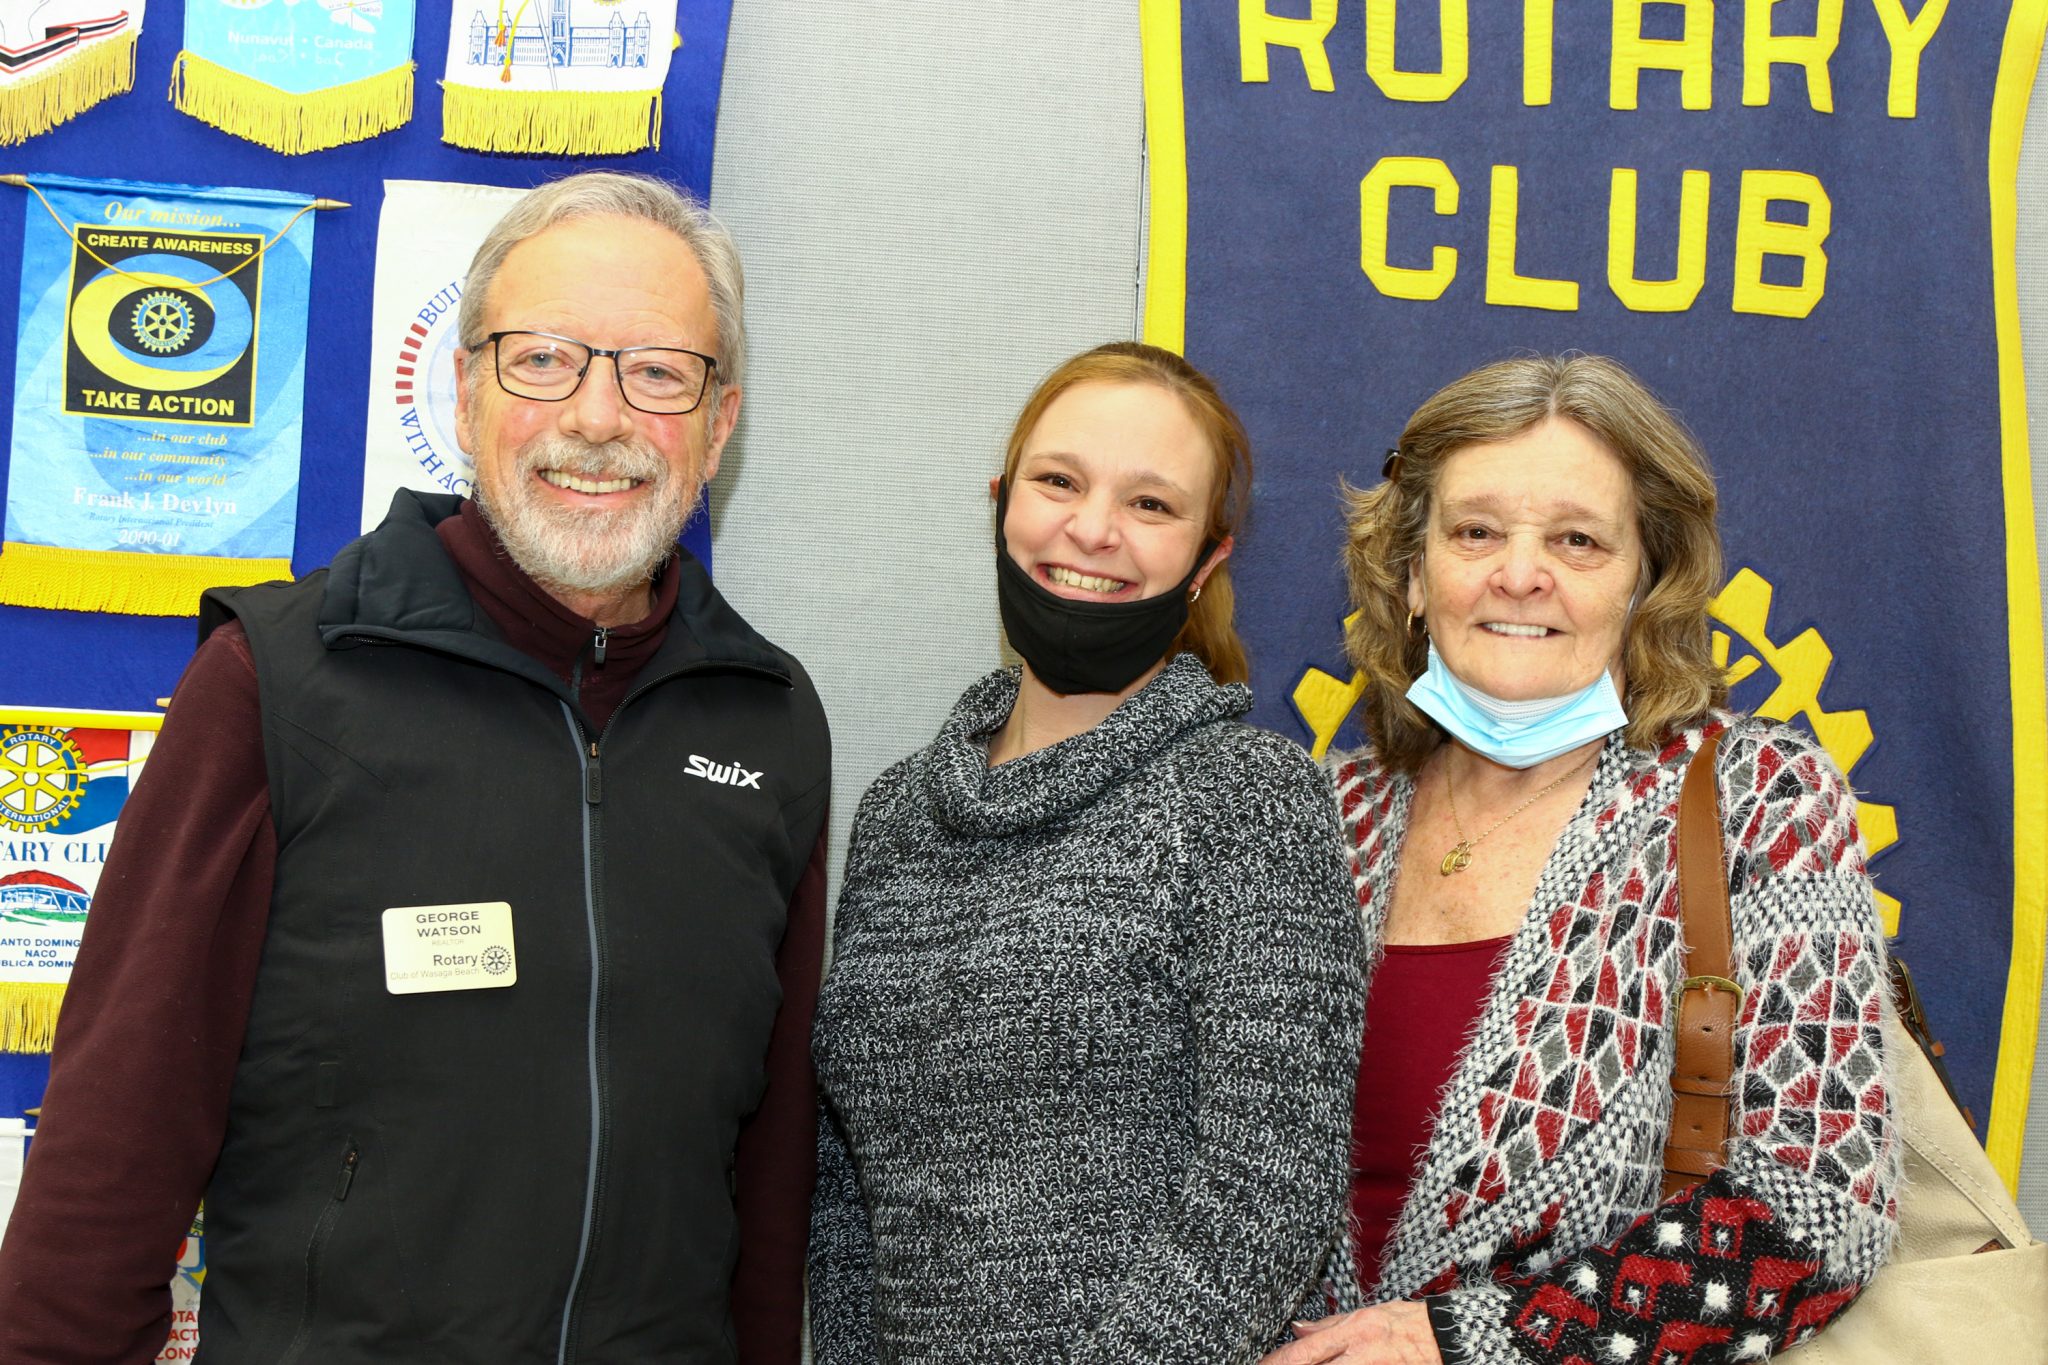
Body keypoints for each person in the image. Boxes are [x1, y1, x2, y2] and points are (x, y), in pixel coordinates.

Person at [0, 172, 831, 1364]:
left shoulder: (769, 721)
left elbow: (767, 1179)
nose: (596, 418)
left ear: (719, 420)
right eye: (542, 359)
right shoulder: (275, 685)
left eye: (656, 372)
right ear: (463, 384)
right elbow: (112, 1150)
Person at [1266, 355, 1897, 1365]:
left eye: (1575, 539)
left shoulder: (1754, 797)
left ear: (1643, 581)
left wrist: (1468, 1343)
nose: (1520, 573)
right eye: (1475, 532)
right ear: (1413, 575)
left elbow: (1818, 1206)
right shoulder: (1309, 818)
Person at [807, 342, 1364, 1364]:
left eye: (1150, 505)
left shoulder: (1248, 796)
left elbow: (1269, 1188)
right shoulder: (895, 815)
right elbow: (851, 1196)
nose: (1093, 529)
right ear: (1000, 503)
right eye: (1058, 481)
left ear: (1207, 558)